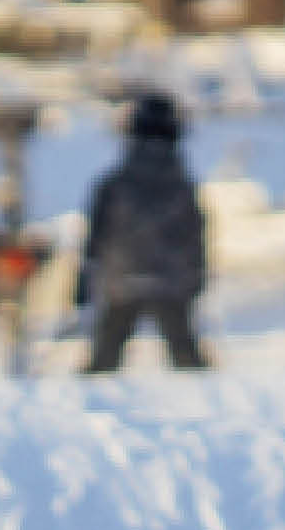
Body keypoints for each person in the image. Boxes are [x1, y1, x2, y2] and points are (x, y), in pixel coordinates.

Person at [72, 85, 214, 375]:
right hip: (171, 279)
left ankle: (88, 398)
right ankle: (206, 397)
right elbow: (195, 232)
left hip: (121, 277)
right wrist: (198, 275)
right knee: (188, 361)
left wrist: (84, 279)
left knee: (103, 362)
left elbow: (95, 234)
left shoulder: (115, 181)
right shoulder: (180, 182)